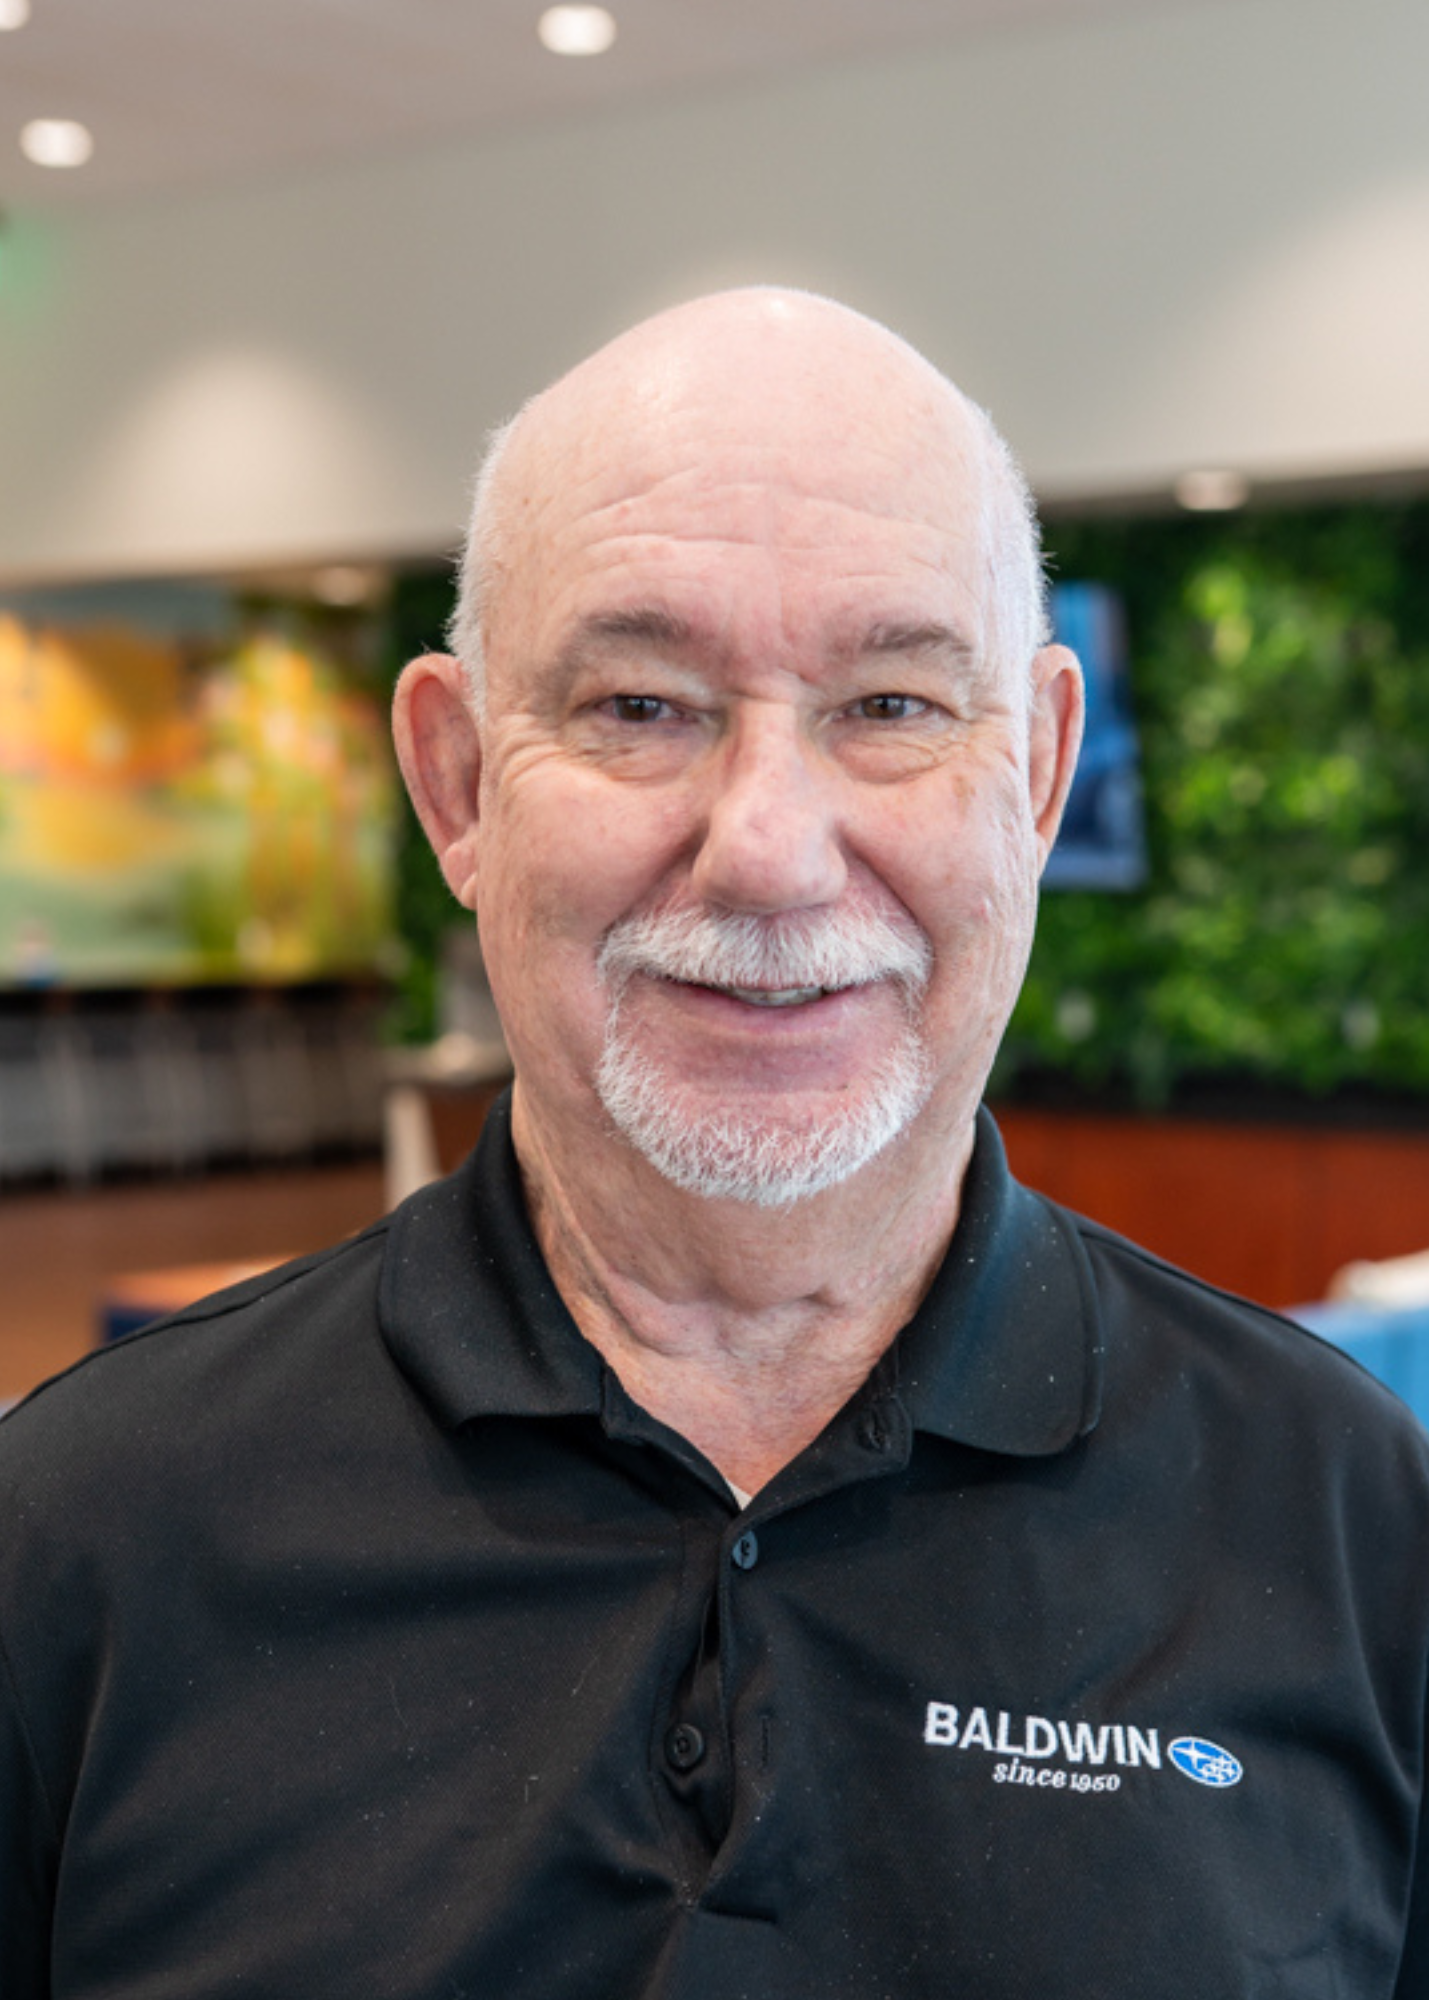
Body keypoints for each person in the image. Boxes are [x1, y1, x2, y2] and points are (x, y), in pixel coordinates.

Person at [2, 289, 1426, 1998]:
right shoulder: (78, 1534)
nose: (767, 848)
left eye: (891, 705)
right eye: (639, 705)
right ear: (458, 785)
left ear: (1042, 779)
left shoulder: (1351, 1523)